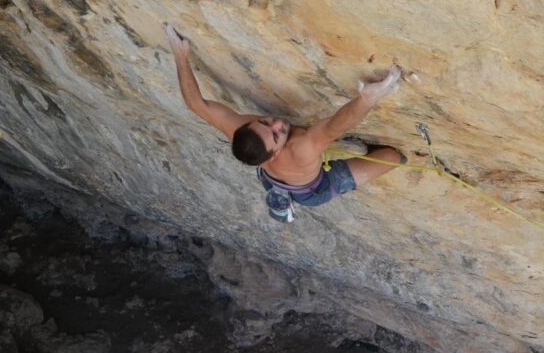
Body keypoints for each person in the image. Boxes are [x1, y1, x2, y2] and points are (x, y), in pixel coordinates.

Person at [164, 24, 405, 222]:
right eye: (277, 135)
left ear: (246, 126)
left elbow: (196, 104)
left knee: (277, 181)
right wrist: (367, 99)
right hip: (312, 190)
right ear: (275, 153)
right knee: (393, 158)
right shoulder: (299, 149)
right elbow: (335, 128)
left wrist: (180, 55)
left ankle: (279, 198)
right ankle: (285, 206)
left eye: (265, 122)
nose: (278, 123)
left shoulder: (239, 130)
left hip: (272, 179)